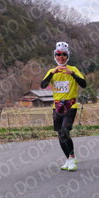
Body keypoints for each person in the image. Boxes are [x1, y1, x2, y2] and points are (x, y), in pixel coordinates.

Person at [40, 41, 87, 171]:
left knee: (65, 131)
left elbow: (83, 84)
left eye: (64, 54)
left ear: (68, 56)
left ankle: (72, 158)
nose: (61, 57)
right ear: (55, 56)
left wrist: (72, 74)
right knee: (60, 134)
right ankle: (68, 159)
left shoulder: (73, 69)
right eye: (58, 54)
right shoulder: (52, 71)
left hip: (71, 105)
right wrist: (52, 73)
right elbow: (43, 85)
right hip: (57, 106)